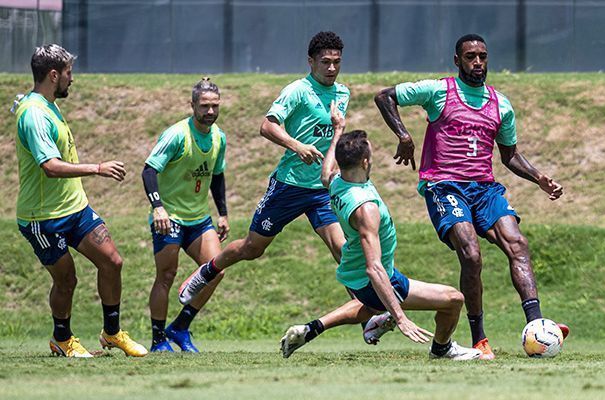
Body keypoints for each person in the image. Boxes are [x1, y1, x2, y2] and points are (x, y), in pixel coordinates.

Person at [177, 32, 394, 344]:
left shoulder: (342, 93)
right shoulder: (298, 91)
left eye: (336, 62)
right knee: (253, 248)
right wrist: (297, 145)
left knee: (343, 250)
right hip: (289, 185)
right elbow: (267, 125)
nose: (332, 68)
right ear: (310, 61)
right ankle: (208, 271)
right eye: (325, 62)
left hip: (323, 189)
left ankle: (370, 318)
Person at [374, 33, 569, 360]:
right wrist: (404, 135)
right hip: (445, 186)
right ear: (457, 60)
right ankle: (479, 338)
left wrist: (538, 178)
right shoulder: (439, 91)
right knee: (472, 254)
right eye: (470, 57)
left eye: (482, 57)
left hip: (484, 189)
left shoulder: (500, 104)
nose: (477, 63)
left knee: (517, 244)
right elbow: (384, 97)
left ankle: (538, 328)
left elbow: (509, 155)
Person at [279, 103, 481, 360]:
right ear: (365, 162)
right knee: (454, 299)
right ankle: (441, 349)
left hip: (354, 274)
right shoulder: (365, 208)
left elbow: (325, 172)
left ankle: (310, 329)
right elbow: (374, 269)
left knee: (367, 308)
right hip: (374, 277)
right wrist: (401, 317)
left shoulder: (337, 182)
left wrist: (338, 130)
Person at [14, 44, 147, 357]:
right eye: (69, 73)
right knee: (67, 279)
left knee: (112, 261)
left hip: (74, 208)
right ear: (53, 74)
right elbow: (50, 166)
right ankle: (62, 339)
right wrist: (97, 168)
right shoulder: (34, 113)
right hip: (42, 218)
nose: (72, 79)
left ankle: (112, 333)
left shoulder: (45, 105)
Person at [142, 77, 229, 352]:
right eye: (204, 106)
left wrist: (223, 214)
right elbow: (148, 171)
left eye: (215, 106)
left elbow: (217, 176)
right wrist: (159, 208)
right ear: (192, 105)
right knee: (166, 277)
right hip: (170, 220)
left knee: (216, 271)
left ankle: (180, 327)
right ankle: (158, 340)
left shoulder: (219, 137)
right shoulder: (177, 134)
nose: (210, 111)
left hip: (199, 219)